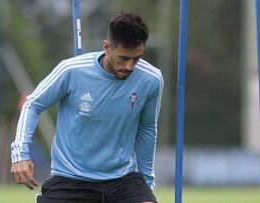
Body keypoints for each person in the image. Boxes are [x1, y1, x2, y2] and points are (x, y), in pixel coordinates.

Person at [11, 12, 164, 203]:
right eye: (124, 58)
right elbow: (33, 104)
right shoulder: (71, 70)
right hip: (71, 179)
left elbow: (147, 129)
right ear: (107, 47)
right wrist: (20, 154)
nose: (130, 66)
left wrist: (146, 184)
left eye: (136, 59)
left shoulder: (151, 79)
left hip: (122, 180)